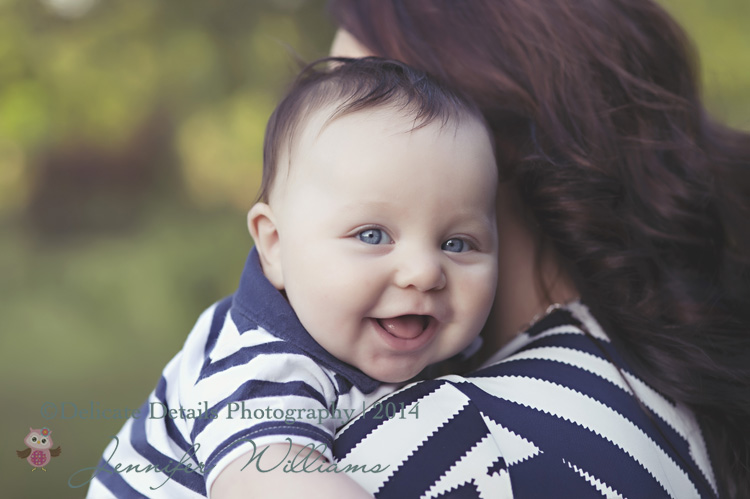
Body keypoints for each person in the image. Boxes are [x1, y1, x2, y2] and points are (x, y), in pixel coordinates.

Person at [326, 0, 750, 498]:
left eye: (363, 97)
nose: (322, 138)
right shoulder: (659, 387)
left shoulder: (457, 444)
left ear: (482, 130)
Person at [85, 57, 499, 498]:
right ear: (276, 245)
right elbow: (267, 479)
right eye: (372, 235)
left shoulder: (450, 343)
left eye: (456, 243)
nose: (424, 272)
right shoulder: (261, 361)